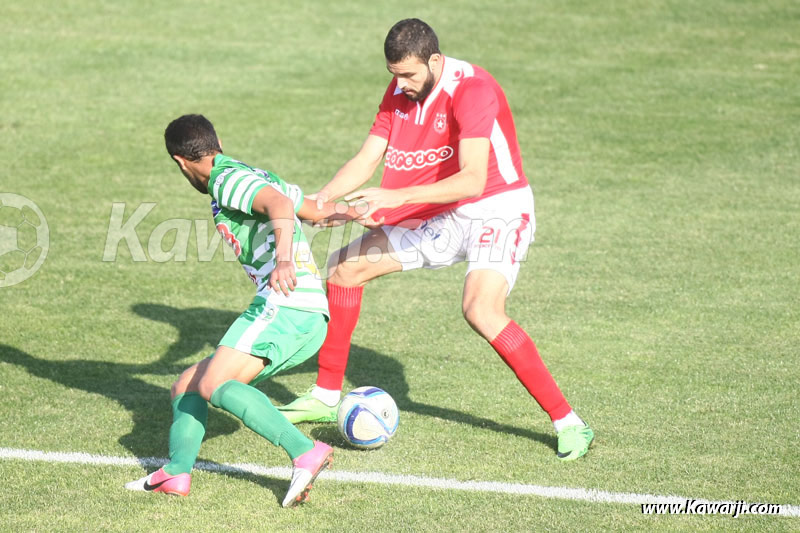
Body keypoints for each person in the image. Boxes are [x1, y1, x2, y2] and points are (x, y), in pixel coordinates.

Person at [278, 19, 594, 461]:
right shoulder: (399, 90)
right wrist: (323, 199)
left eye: (408, 74)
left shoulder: (474, 90)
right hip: (440, 210)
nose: (400, 84)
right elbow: (369, 156)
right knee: (345, 267)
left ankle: (569, 422)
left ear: (435, 61)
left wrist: (394, 196)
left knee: (480, 309)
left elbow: (470, 181)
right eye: (393, 75)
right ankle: (327, 395)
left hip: (497, 206)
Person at [125, 114, 362, 507]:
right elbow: (315, 209)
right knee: (186, 385)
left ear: (180, 161)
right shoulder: (248, 173)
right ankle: (177, 473)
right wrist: (352, 213)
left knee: (212, 383)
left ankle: (305, 451)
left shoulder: (225, 179)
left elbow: (280, 203)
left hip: (285, 303)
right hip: (303, 311)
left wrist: (284, 258)